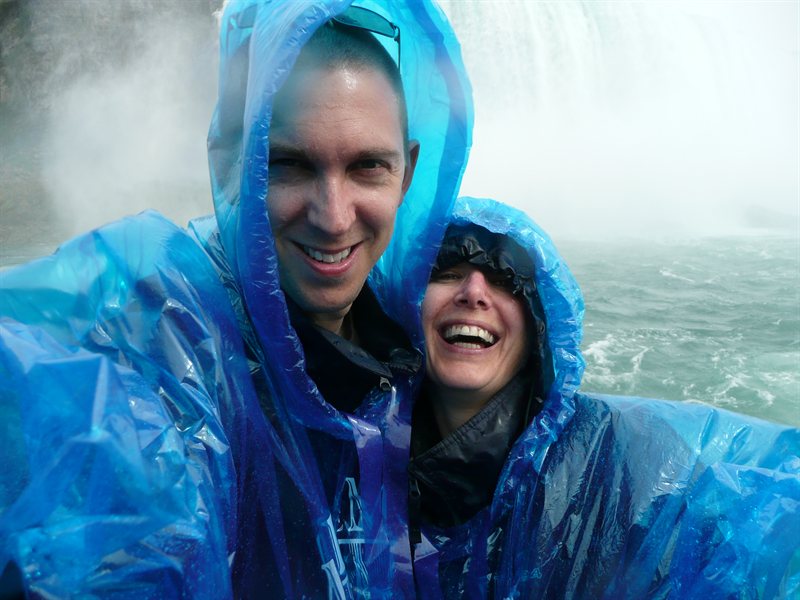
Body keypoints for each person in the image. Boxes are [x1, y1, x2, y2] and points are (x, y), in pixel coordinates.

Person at [0, 1, 472, 598]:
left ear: (407, 175)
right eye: (289, 165)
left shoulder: (407, 352)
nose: (332, 216)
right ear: (234, 166)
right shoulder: (166, 327)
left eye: (367, 168)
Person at [404, 196, 800, 599]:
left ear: (539, 328)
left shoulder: (624, 459)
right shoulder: (357, 459)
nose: (474, 293)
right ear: (408, 304)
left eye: (506, 281)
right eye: (449, 273)